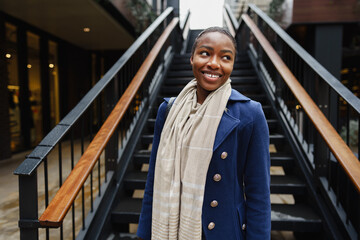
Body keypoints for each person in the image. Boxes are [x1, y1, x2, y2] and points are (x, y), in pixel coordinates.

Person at [137, 27, 271, 240]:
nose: (214, 64)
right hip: (171, 228)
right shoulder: (169, 110)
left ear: (233, 64)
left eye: (225, 57)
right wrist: (144, 234)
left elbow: (259, 194)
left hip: (223, 230)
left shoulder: (249, 114)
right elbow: (154, 178)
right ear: (192, 58)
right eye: (205, 53)